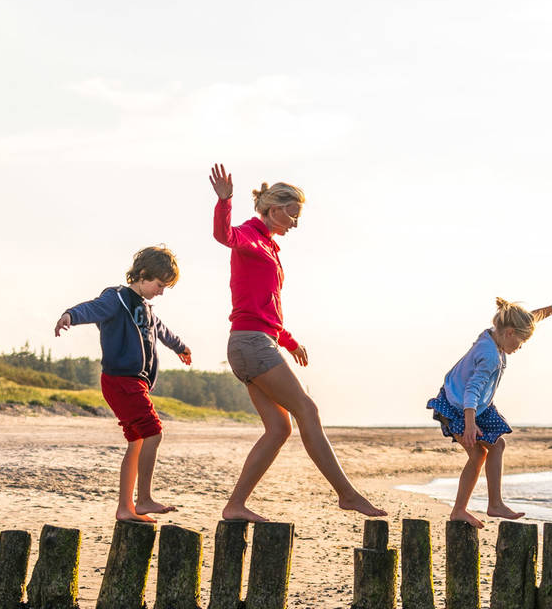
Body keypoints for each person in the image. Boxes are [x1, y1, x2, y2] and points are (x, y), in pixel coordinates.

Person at [208, 163, 384, 523]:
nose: (296, 222)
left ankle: (235, 505)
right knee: (308, 410)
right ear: (274, 208)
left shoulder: (269, 247)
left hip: (254, 341)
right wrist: (225, 201)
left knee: (279, 428)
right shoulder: (249, 236)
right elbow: (223, 236)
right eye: (293, 213)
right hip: (252, 343)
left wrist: (287, 340)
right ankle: (347, 495)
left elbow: (265, 304)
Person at [54, 246, 192, 523]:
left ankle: (125, 508)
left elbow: (162, 331)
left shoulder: (146, 309)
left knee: (138, 441)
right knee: (154, 432)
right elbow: (93, 308)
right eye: (159, 284)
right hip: (121, 380)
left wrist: (180, 346)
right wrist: (70, 315)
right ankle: (143, 499)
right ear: (142, 275)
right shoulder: (117, 298)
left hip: (135, 383)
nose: (161, 291)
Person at [428, 293, 552, 528]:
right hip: (459, 405)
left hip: (475, 403)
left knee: (496, 446)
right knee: (478, 454)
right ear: (509, 333)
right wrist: (470, 424)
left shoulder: (494, 334)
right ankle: (466, 509)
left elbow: (528, 319)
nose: (520, 347)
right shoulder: (490, 356)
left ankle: (491, 504)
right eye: (521, 342)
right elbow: (472, 391)